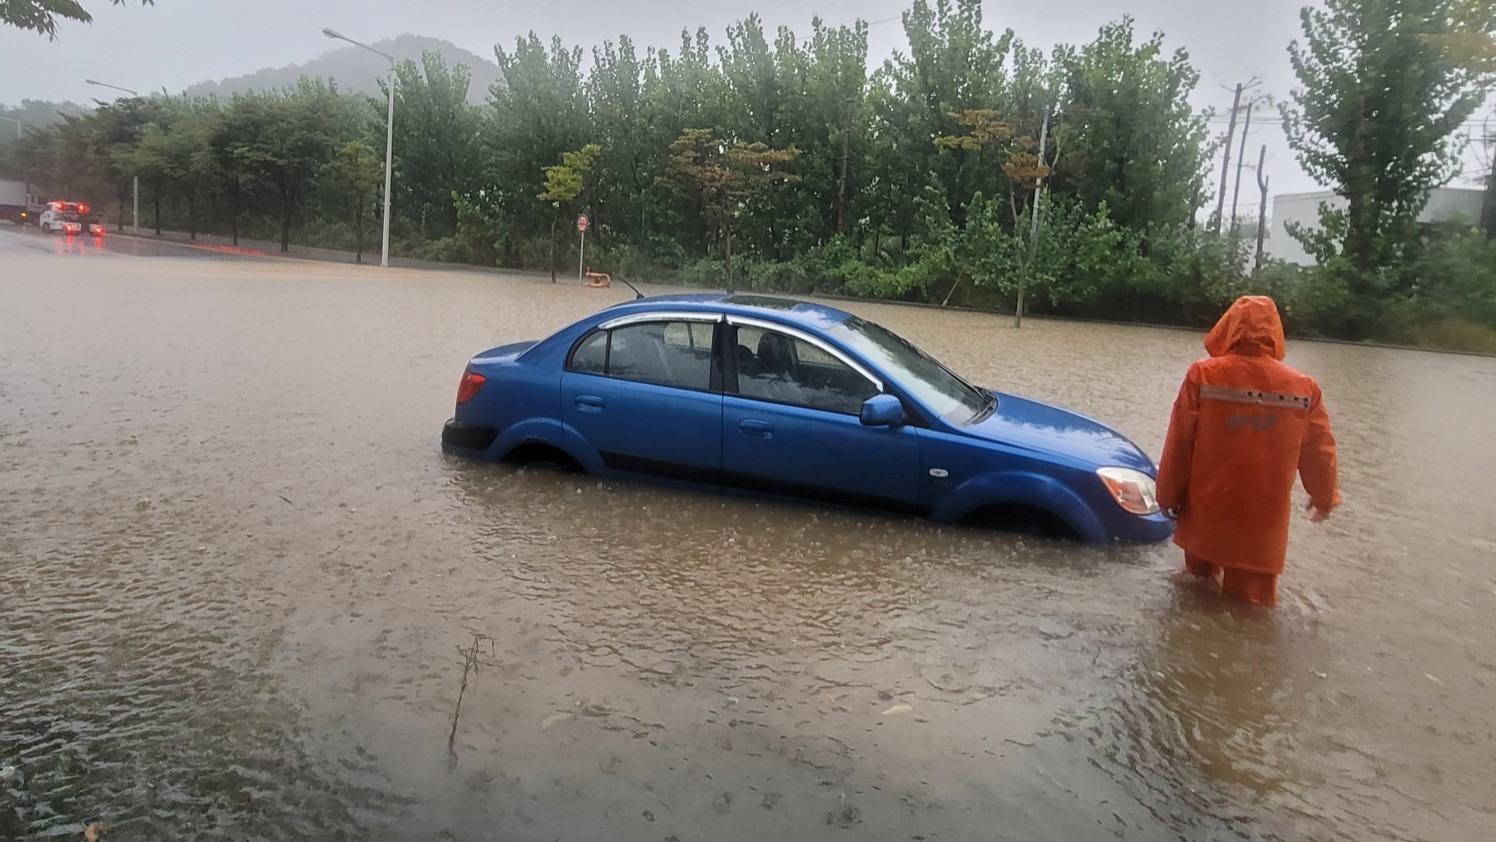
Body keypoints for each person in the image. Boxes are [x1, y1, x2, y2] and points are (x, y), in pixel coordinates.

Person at [1156, 296, 1341, 607]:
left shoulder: (1202, 375)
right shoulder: (1304, 387)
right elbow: (1320, 451)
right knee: (1250, 613)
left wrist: (1168, 495)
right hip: (1261, 526)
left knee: (1194, 596)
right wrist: (1325, 497)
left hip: (1206, 513)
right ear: (1275, 333)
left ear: (1227, 328)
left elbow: (1179, 444)